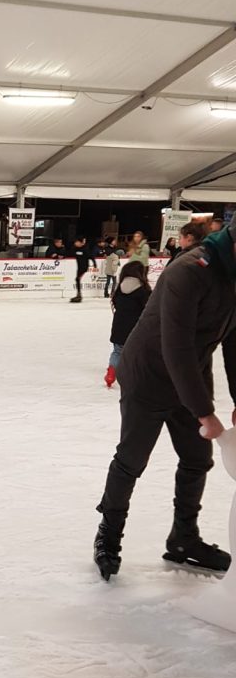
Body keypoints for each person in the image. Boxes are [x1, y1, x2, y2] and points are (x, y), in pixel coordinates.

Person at [92, 216, 236, 582]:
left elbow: (235, 343)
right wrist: (204, 412)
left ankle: (184, 539)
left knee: (197, 458)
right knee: (132, 459)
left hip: (190, 373)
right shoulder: (188, 271)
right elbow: (176, 349)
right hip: (148, 375)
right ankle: (108, 537)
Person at [103, 261, 151, 388]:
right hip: (136, 327)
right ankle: (135, 376)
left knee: (117, 351)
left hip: (119, 324)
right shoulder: (144, 289)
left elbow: (115, 302)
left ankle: (111, 373)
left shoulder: (120, 287)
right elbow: (149, 308)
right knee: (137, 352)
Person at [70, 236, 96, 303]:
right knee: (77, 279)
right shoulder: (75, 249)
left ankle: (79, 295)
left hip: (84, 267)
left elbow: (91, 256)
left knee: (77, 279)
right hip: (79, 267)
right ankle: (79, 295)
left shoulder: (85, 249)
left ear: (80, 243)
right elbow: (70, 252)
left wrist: (94, 264)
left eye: (77, 242)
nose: (75, 243)